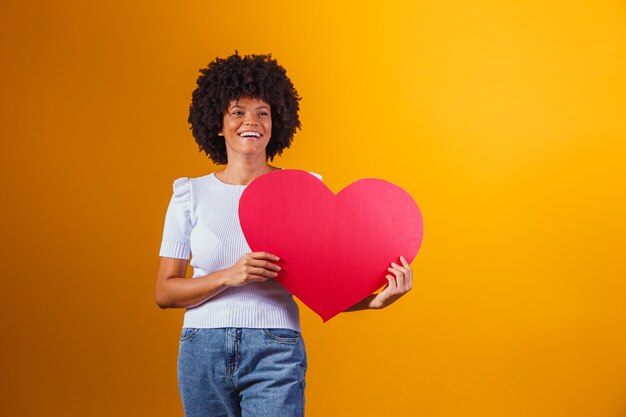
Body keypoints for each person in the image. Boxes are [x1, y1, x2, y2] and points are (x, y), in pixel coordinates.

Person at [155, 51, 413, 417]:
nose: (252, 121)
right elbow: (165, 292)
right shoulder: (189, 194)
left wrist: (375, 300)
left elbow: (323, 286)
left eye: (263, 112)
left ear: (277, 122)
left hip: (275, 349)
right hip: (201, 350)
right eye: (238, 111)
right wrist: (231, 276)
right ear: (217, 123)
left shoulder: (302, 192)